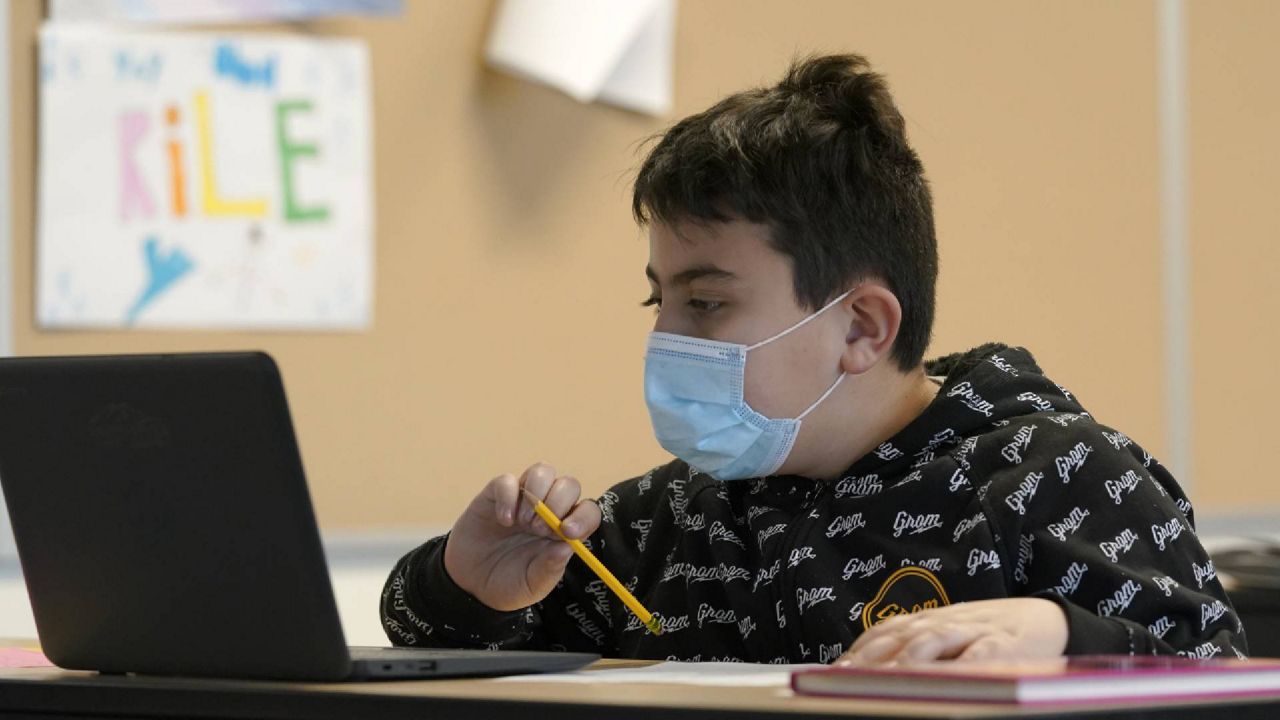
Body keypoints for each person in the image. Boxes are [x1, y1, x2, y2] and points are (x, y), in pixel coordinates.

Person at [381, 54, 1244, 665]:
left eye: (707, 303)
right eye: (661, 302)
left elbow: (1222, 680)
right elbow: (436, 650)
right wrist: (469, 585)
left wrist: (1067, 640)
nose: (668, 340)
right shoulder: (668, 519)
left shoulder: (1055, 482)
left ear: (863, 327)